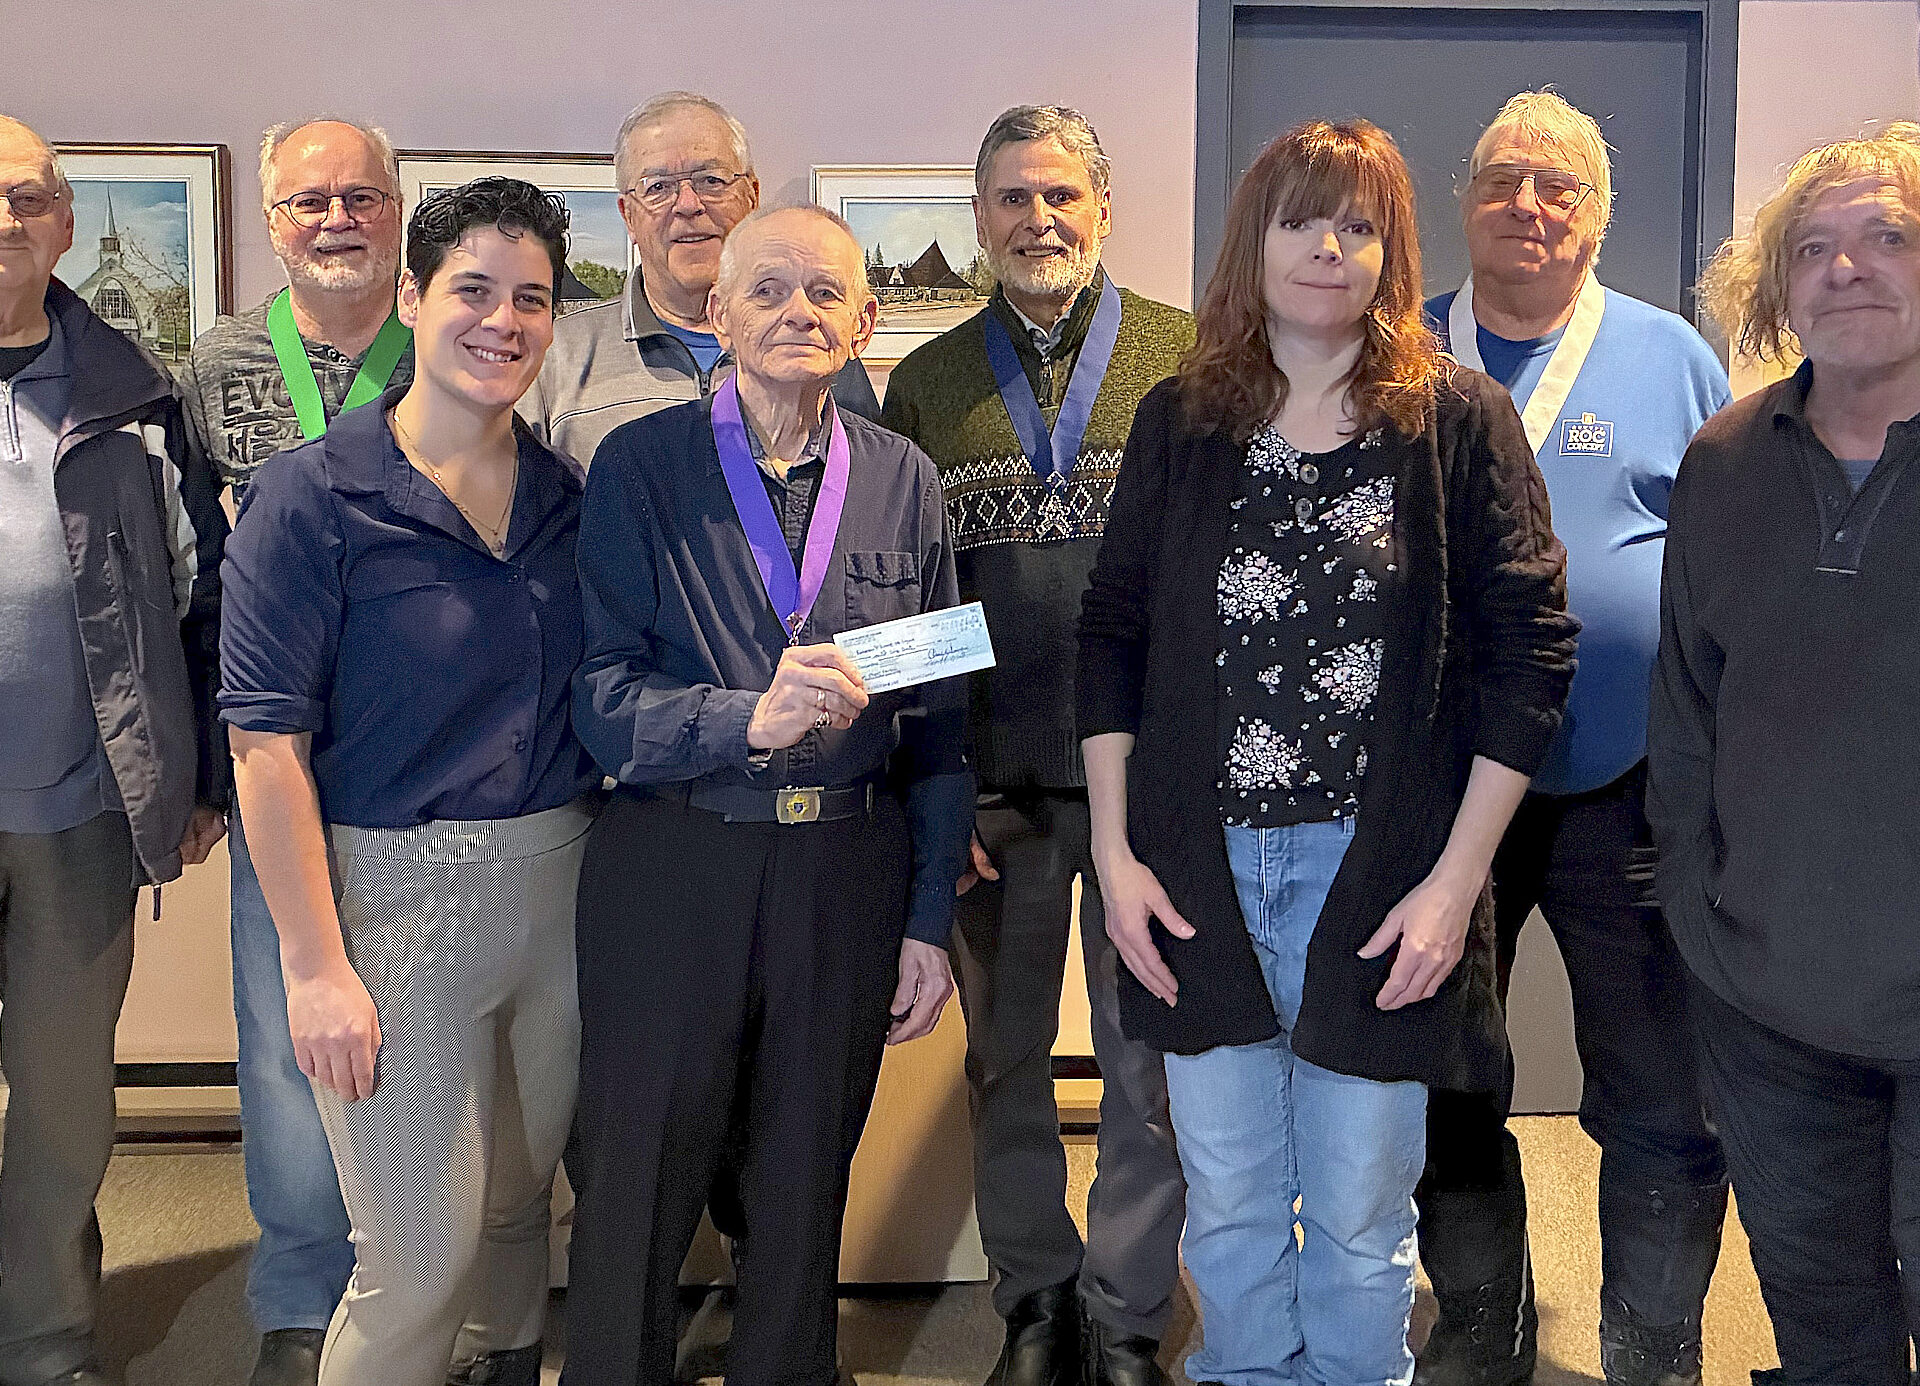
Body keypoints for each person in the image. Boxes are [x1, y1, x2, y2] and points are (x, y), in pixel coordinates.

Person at [1078, 119, 1577, 1386]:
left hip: (1388, 875)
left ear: (1391, 253)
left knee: (1360, 1224)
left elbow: (1532, 660)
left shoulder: (1457, 421)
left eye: (1360, 225)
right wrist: (1115, 853)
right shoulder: (1181, 422)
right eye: (1305, 219)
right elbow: (1114, 635)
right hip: (1195, 871)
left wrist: (1456, 888)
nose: (1330, 247)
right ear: (1257, 239)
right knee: (1233, 1212)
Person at [562, 203, 973, 1386]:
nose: (799, 311)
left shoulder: (904, 480)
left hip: (847, 870)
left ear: (866, 319)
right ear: (715, 312)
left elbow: (941, 720)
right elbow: (599, 699)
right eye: (769, 289)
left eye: (825, 291)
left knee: (803, 1178)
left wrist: (929, 920)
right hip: (676, 861)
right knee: (638, 1173)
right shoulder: (640, 469)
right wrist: (741, 718)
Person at [221, 178, 598, 1386]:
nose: (503, 321)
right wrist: (315, 966)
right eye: (473, 290)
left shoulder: (566, 497)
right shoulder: (308, 498)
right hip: (392, 908)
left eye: (531, 298)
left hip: (563, 890)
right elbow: (264, 747)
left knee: (514, 1216)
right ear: (413, 297)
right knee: (416, 1258)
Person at [1416, 91, 1731, 1386]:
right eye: (1502, 180)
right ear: (1463, 202)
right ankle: (1483, 1316)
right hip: (1437, 799)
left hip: (1633, 784)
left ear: (1599, 215)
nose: (1529, 206)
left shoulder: (1674, 360)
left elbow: (1723, 573)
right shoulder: (1400, 353)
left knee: (1660, 1085)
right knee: (1445, 1071)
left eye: (1559, 187)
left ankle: (1652, 1337)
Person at [880, 105, 1191, 1386]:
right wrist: (933, 795)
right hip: (993, 783)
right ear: (980, 219)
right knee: (1005, 1059)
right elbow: (913, 601)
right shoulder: (927, 381)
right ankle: (1033, 1300)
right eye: (1012, 199)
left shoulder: (1185, 354)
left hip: (1150, 795)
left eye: (1060, 195)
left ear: (1103, 205)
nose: (1038, 220)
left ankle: (1124, 1309)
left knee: (1147, 1069)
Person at [1651, 121, 1920, 1386]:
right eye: (1813, 247)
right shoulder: (1722, 463)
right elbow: (1687, 718)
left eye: (1890, 237)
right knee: (1819, 1308)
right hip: (1771, 1004)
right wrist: (1710, 937)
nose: (1847, 269)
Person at [176, 116, 416, 1386]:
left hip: (431, 761)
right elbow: (194, 579)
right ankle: (297, 1300)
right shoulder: (211, 370)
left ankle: (427, 1284)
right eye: (309, 201)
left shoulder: (458, 348)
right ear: (271, 220)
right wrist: (208, 771)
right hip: (277, 757)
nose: (337, 219)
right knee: (283, 1041)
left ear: (397, 209)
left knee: (424, 1031)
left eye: (361, 197)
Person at [0, 114, 228, 1386]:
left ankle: (40, 1342)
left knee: (64, 1104)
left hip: (77, 816)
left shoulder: (135, 397)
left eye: (28, 199)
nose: (4, 224)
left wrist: (188, 775)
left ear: (66, 223)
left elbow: (195, 601)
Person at [524, 91, 877, 461]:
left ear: (752, 197)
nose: (689, 204)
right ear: (628, 215)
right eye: (658, 187)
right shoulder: (554, 358)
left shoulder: (817, 346)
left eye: (711, 180)